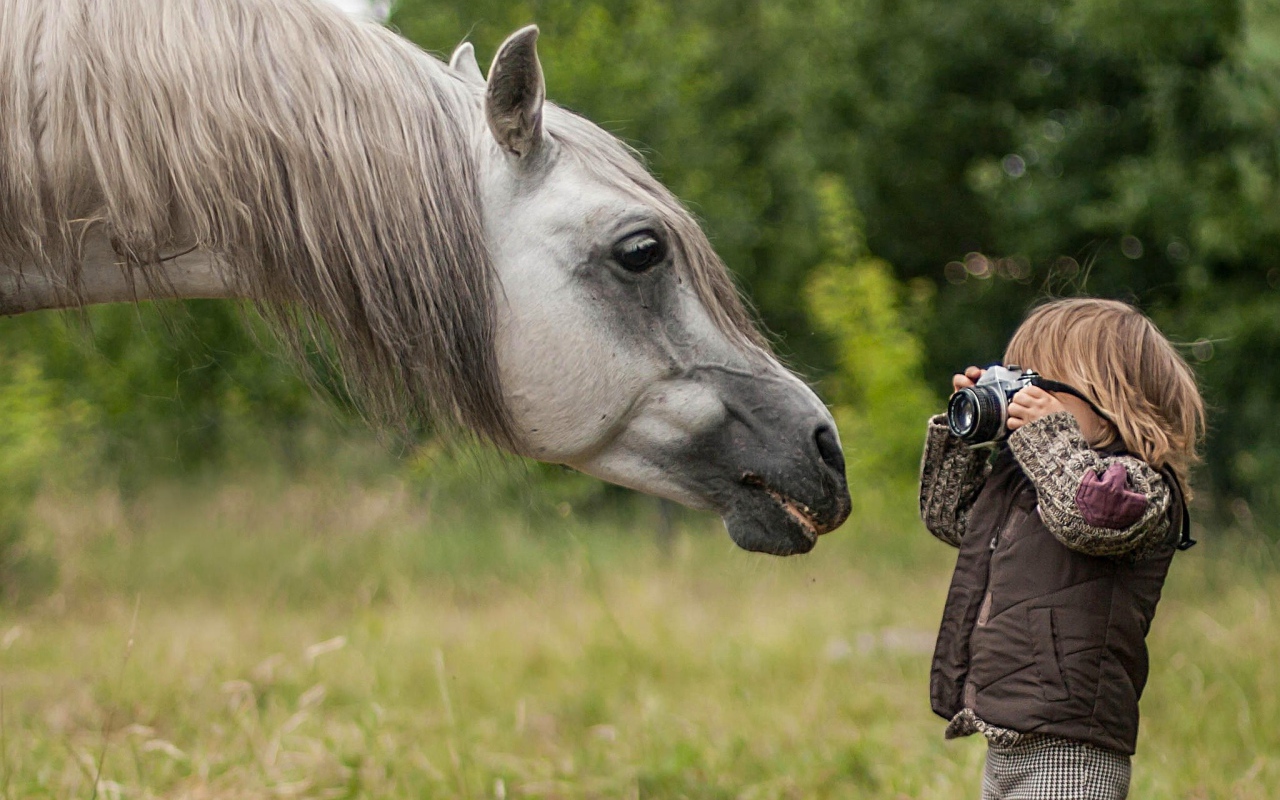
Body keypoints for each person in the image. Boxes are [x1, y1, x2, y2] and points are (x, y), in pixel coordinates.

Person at [918, 298, 1205, 800]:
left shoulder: (1139, 485)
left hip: (1074, 742)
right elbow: (953, 520)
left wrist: (1049, 438)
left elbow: (1086, 519)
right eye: (1019, 382)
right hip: (1008, 728)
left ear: (1112, 396)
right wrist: (966, 437)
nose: (1028, 397)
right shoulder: (1031, 480)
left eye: (1043, 385)